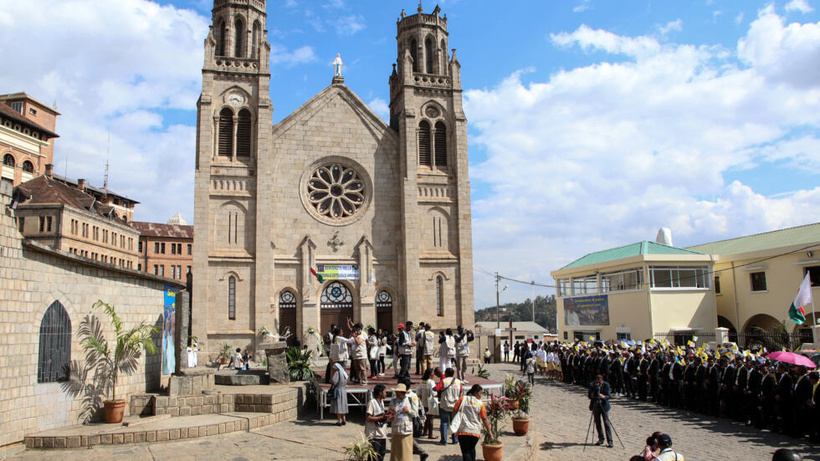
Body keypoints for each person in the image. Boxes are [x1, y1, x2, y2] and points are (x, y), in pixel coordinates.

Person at [452, 384, 493, 461]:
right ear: (475, 392)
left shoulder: (463, 399)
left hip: (463, 430)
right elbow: (484, 418)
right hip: (475, 431)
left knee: (465, 451)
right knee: (472, 449)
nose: (481, 395)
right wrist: (489, 432)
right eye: (481, 393)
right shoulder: (480, 404)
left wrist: (454, 422)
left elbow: (455, 409)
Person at [434, 367, 463, 445]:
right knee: (454, 423)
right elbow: (461, 391)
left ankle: (444, 440)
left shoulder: (444, 381)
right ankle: (455, 440)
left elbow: (437, 388)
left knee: (444, 423)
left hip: (445, 405)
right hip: (455, 405)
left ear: (446, 373)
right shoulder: (458, 382)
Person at [388, 383, 416, 461]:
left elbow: (415, 414)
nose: (397, 395)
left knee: (406, 453)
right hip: (396, 429)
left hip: (406, 430)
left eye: (399, 393)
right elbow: (388, 415)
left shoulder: (410, 400)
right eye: (396, 393)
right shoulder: (393, 401)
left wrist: (408, 411)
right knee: (396, 453)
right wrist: (391, 414)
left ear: (403, 393)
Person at [588, 374, 613, 448]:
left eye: (600, 382)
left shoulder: (606, 385)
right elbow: (589, 396)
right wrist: (593, 395)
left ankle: (610, 441)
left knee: (606, 423)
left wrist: (604, 397)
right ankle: (601, 439)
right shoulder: (592, 385)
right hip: (596, 405)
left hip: (604, 406)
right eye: (597, 382)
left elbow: (609, 396)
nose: (599, 383)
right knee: (597, 422)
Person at [366, 384, 389, 461]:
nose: (386, 394)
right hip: (374, 434)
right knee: (373, 455)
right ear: (380, 393)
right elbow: (368, 417)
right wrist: (382, 418)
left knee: (382, 454)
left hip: (382, 433)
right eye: (385, 392)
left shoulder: (381, 402)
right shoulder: (372, 403)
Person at [417, 368, 436, 439]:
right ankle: (430, 434)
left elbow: (418, 392)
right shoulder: (431, 382)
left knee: (427, 417)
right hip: (431, 402)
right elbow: (434, 392)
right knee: (431, 418)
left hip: (424, 401)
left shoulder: (422, 382)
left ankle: (425, 431)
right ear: (430, 374)